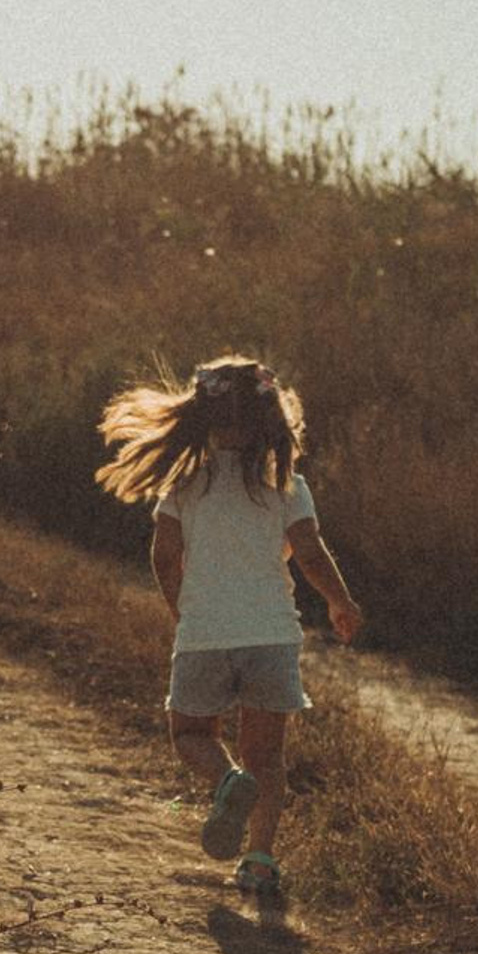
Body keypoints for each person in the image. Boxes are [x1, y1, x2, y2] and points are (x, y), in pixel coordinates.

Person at [94, 355, 362, 899]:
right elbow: (308, 552)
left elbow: (164, 554)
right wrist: (340, 601)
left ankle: (225, 781)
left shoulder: (186, 484)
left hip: (205, 633)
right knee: (268, 755)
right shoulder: (285, 482)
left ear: (201, 417)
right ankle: (259, 861)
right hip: (271, 637)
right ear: (271, 418)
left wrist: (180, 607)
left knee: (191, 733)